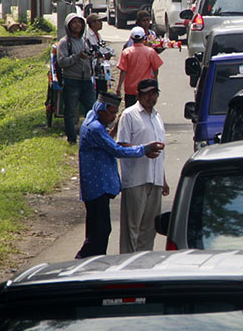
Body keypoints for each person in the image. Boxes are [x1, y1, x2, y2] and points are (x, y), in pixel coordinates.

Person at [76, 91, 163, 258]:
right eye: (111, 113)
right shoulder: (95, 129)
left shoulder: (91, 119)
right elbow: (116, 149)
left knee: (96, 228)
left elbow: (107, 141)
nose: (113, 117)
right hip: (97, 186)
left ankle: (92, 259)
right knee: (101, 229)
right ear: (101, 110)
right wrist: (144, 149)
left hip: (96, 187)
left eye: (115, 113)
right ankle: (86, 259)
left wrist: (115, 128)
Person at [116, 78, 168, 252]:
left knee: (150, 228)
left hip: (155, 179)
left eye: (153, 93)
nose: (150, 98)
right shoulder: (129, 115)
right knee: (132, 228)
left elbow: (161, 151)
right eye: (146, 94)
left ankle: (144, 265)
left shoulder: (157, 116)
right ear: (138, 95)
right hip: (136, 179)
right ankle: (127, 265)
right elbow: (122, 145)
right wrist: (144, 149)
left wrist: (164, 178)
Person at [55, 13, 96, 144]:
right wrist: (78, 56)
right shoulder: (64, 43)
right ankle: (72, 139)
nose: (77, 25)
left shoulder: (85, 41)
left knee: (93, 109)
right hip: (72, 80)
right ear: (68, 25)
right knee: (70, 111)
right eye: (74, 23)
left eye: (79, 22)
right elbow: (62, 62)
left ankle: (92, 137)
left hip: (87, 81)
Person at [116, 26, 163, 108]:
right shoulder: (150, 52)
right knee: (145, 111)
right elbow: (156, 69)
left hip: (130, 89)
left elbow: (123, 71)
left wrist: (119, 86)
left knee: (130, 111)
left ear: (131, 38)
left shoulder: (126, 52)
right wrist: (155, 81)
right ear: (144, 37)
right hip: (146, 88)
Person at [83, 13, 112, 94]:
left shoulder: (98, 35)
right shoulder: (87, 36)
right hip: (92, 68)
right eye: (98, 21)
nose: (101, 23)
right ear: (92, 23)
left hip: (100, 67)